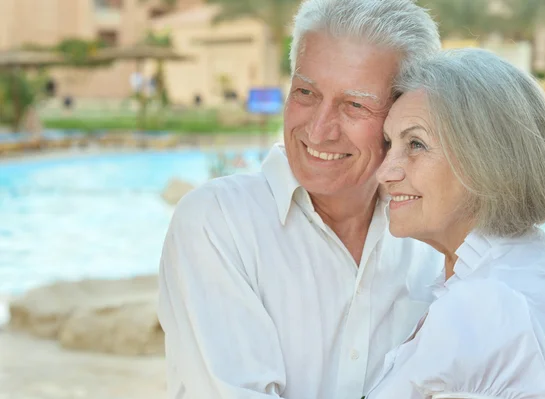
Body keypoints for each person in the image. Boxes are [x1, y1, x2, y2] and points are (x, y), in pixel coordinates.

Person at [157, 1, 443, 398]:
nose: (320, 129)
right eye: (306, 93)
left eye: (355, 104)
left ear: (406, 114)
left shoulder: (432, 243)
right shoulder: (217, 223)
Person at [369, 48, 545, 398]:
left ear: (486, 157)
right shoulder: (530, 256)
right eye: (389, 144)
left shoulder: (482, 306)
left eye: (416, 144)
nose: (384, 172)